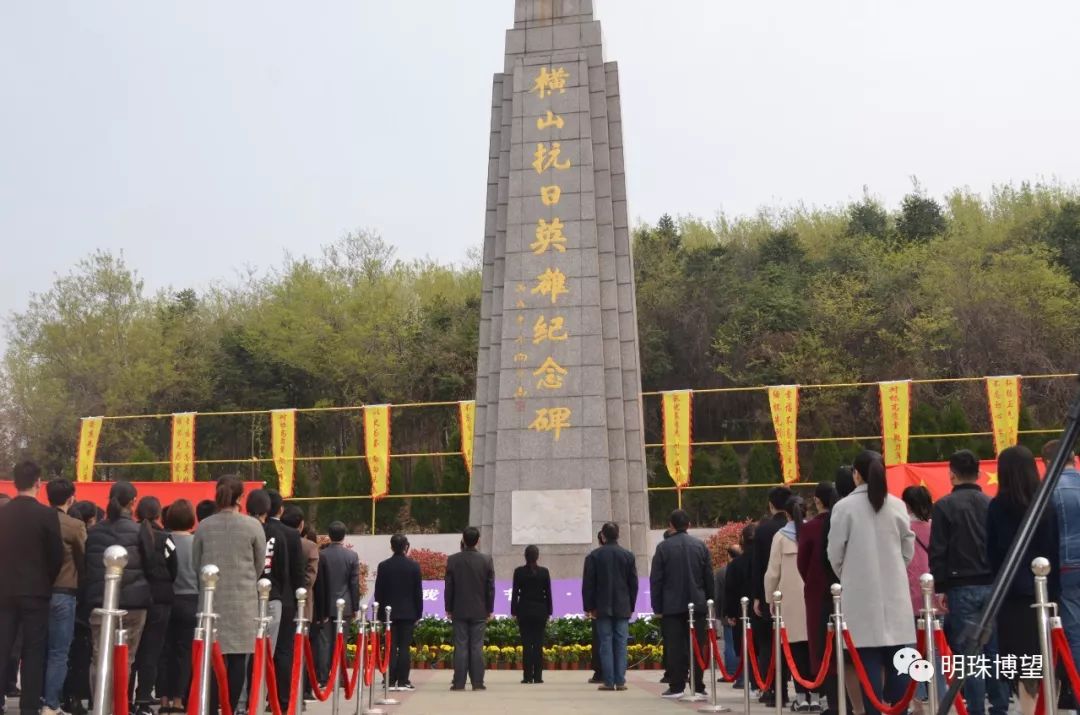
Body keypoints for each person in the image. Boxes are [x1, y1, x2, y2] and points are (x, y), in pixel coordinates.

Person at [827, 451, 915, 715]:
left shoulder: (843, 508)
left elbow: (834, 553)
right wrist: (893, 570)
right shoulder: (897, 505)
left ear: (856, 474)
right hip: (895, 597)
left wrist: (852, 575)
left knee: (867, 668)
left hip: (860, 599)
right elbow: (907, 550)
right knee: (900, 666)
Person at [928, 450, 1009, 715]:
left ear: (951, 473)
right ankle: (999, 705)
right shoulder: (990, 503)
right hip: (991, 585)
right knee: (994, 649)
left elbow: (939, 550)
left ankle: (975, 708)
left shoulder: (943, 506)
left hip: (960, 585)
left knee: (968, 654)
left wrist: (940, 588)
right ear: (978, 473)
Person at [987, 446, 1059, 715]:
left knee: (1021, 663)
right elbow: (1054, 550)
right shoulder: (1046, 504)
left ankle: (1028, 710)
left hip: (1012, 598)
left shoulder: (997, 506)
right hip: (1046, 593)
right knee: (1046, 658)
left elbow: (992, 555)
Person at [193, 475, 266, 714]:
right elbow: (258, 564)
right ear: (241, 497)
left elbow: (197, 564)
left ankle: (212, 707)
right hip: (243, 600)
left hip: (212, 599)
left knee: (212, 659)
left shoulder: (204, 526)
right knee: (238, 659)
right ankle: (231, 707)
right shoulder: (253, 526)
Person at [0, 462, 63, 715]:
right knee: (34, 651)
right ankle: (28, 706)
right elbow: (56, 556)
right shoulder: (47, 515)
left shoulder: (2, 514)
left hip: (3, 590)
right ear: (39, 482)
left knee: (2, 646)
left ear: (15, 482)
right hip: (36, 591)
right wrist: (44, 579)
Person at [84, 481, 153, 706]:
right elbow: (151, 564)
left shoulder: (93, 532)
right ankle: (118, 707)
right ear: (133, 502)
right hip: (133, 605)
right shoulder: (140, 530)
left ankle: (100, 706)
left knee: (99, 657)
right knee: (126, 659)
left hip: (100, 602)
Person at [651, 509, 713, 699]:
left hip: (672, 606)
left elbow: (657, 581)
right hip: (698, 604)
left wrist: (657, 607)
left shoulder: (663, 548)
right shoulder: (700, 546)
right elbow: (708, 577)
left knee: (675, 647)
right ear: (689, 525)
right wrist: (710, 601)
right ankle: (698, 684)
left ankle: (677, 686)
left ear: (670, 525)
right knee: (697, 645)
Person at [41, 478, 86, 715]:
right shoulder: (74, 525)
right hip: (64, 592)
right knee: (59, 651)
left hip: (38, 594)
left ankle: (37, 697)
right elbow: (83, 555)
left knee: (38, 649)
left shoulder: (38, 522)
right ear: (71, 498)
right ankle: (51, 703)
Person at [765, 495, 814, 711]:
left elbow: (772, 573)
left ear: (785, 513)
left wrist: (770, 598)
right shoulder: (814, 531)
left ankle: (802, 697)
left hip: (790, 601)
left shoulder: (780, 537)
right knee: (816, 648)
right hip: (813, 598)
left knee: (796, 650)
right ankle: (819, 695)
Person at [131, 496, 176, 715]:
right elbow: (173, 569)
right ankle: (143, 700)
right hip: (160, 600)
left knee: (129, 652)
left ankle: (124, 697)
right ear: (159, 514)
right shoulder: (166, 538)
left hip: (134, 598)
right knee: (152, 652)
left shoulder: (132, 534)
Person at [797, 480, 839, 714]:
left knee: (822, 646)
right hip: (842, 590)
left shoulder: (811, 528)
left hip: (817, 592)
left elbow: (802, 563)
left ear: (818, 500)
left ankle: (830, 700)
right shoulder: (842, 520)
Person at [583, 523, 638, 692]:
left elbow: (588, 585)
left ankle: (608, 681)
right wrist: (631, 605)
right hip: (623, 606)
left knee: (605, 642)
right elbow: (633, 584)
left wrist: (589, 607)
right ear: (618, 535)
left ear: (603, 536)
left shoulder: (594, 556)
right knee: (621, 643)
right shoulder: (628, 556)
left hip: (602, 607)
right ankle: (620, 681)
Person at [752, 486, 793, 706]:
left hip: (771, 594)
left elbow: (758, 566)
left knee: (768, 644)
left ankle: (773, 690)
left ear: (770, 504)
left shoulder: (764, 529)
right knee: (792, 643)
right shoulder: (797, 526)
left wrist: (759, 596)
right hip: (794, 594)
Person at [266, 489, 305, 711]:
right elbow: (298, 572)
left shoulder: (258, 529)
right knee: (283, 651)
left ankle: (258, 693)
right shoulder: (290, 534)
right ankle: (279, 700)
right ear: (281, 509)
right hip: (287, 599)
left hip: (259, 597)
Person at [158, 499, 198, 714]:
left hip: (167, 600)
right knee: (184, 653)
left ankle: (162, 698)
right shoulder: (197, 542)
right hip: (191, 600)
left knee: (164, 650)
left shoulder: (164, 540)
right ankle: (178, 700)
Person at [444, 526, 495, 691]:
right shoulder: (486, 560)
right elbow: (490, 588)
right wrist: (489, 608)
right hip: (479, 610)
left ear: (463, 540)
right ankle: (478, 683)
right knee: (476, 647)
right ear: (478, 541)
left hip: (459, 609)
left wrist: (448, 607)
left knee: (461, 646)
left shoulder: (453, 560)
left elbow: (449, 587)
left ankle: (458, 683)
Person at [1045, 440, 1080, 677]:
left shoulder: (1049, 490)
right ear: (1074, 457)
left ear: (1048, 463)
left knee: (1074, 633)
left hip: (1066, 566)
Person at [373, 534, 423, 691]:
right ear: (406, 547)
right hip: (408, 613)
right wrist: (418, 614)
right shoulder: (414, 566)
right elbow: (418, 593)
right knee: (404, 648)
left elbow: (378, 593)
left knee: (390, 646)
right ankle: (403, 680)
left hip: (389, 614)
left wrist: (380, 614)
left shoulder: (384, 566)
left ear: (391, 547)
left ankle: (389, 678)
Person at [313, 521, 360, 684]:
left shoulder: (321, 555)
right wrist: (355, 606)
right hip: (344, 604)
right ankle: (340, 676)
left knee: (324, 642)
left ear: (329, 535)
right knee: (342, 640)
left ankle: (323, 677)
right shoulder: (351, 556)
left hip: (325, 605)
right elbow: (353, 584)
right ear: (344, 535)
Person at [247, 489, 289, 653]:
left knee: (246, 652)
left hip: (246, 597)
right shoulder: (277, 534)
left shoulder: (243, 530)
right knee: (266, 652)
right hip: (272, 595)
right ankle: (263, 679)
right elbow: (283, 569)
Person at [511, 545, 552, 685]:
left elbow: (515, 593)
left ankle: (527, 676)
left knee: (527, 644)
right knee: (538, 643)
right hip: (540, 610)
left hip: (524, 610)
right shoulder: (544, 572)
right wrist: (550, 610)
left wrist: (514, 611)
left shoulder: (519, 572)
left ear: (525, 556)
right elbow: (548, 593)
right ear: (537, 556)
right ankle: (538, 676)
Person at [724, 523, 756, 689]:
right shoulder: (763, 561)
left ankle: (750, 681)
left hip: (741, 612)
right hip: (761, 612)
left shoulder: (735, 565)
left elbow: (729, 591)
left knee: (744, 647)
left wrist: (730, 614)